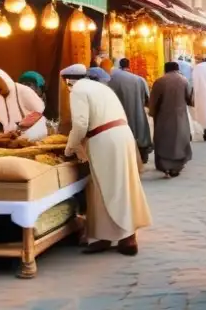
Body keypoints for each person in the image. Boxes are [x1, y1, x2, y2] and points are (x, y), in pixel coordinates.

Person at [62, 64, 152, 255]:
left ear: (68, 80)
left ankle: (126, 237)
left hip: (105, 140)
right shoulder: (100, 87)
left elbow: (80, 124)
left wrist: (69, 148)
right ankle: (107, 235)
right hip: (121, 135)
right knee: (114, 186)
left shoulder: (78, 90)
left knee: (109, 187)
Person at [150, 62, 194, 177]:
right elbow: (190, 99)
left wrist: (152, 113)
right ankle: (177, 167)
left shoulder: (159, 81)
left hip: (163, 117)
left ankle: (166, 167)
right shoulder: (184, 81)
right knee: (180, 141)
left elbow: (153, 101)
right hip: (180, 117)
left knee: (164, 142)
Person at [109, 58, 153, 164]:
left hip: (116, 115)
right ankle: (142, 155)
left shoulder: (110, 79)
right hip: (137, 113)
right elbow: (148, 100)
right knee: (140, 133)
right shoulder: (139, 80)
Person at [0, 68, 47, 140]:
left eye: (30, 84)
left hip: (30, 137)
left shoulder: (23, 91)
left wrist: (21, 128)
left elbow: (39, 113)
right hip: (8, 139)